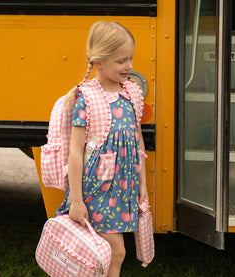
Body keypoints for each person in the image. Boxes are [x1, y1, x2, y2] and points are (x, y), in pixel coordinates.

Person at [55, 21, 148, 277]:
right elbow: (76, 152)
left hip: (122, 190)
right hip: (95, 190)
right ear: (99, 62)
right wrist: (76, 200)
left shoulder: (131, 93)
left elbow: (137, 143)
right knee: (115, 251)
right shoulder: (86, 96)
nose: (128, 66)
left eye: (130, 58)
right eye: (121, 61)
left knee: (107, 256)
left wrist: (143, 187)